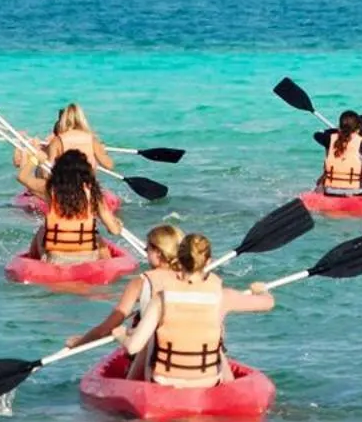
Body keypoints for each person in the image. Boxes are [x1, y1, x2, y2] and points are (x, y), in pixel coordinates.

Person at [118, 231, 273, 388]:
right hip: (208, 382)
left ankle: (129, 388)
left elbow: (133, 347)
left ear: (179, 259)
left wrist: (122, 335)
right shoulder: (223, 296)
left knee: (151, 336)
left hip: (164, 383)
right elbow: (267, 303)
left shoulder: (162, 298)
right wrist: (261, 290)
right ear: (208, 261)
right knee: (214, 337)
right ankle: (230, 387)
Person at [67, 223, 186, 350]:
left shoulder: (141, 282)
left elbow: (107, 328)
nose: (146, 253)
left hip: (152, 353)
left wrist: (79, 343)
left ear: (158, 252)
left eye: (147, 249)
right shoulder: (191, 279)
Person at [15, 148, 123, 262]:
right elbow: (114, 231)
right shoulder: (94, 193)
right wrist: (117, 224)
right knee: (96, 237)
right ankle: (105, 265)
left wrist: (35, 159)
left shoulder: (49, 188)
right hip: (88, 258)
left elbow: (22, 177)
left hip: (57, 258)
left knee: (43, 230)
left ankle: (33, 263)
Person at [43, 103, 114, 172]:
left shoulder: (57, 141)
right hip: (87, 182)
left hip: (65, 182)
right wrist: (102, 151)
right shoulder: (92, 140)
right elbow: (109, 165)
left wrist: (44, 154)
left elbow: (46, 172)